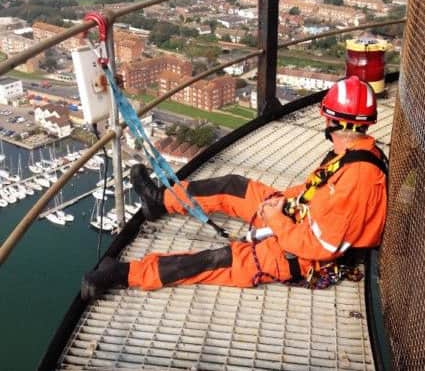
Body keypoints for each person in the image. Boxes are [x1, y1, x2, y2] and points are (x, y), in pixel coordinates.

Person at [82, 76, 388, 301]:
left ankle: (123, 275)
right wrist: (279, 204)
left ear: (335, 121)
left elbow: (318, 247)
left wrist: (278, 219)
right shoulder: (354, 152)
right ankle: (160, 200)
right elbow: (316, 190)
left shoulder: (357, 180)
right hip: (299, 218)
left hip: (303, 254)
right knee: (233, 186)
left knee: (218, 260)